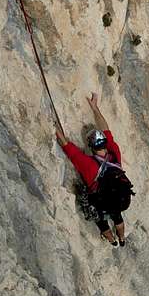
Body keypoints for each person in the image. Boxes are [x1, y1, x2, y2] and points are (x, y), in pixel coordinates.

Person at [55, 93, 126, 247]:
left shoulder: (88, 164)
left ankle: (112, 240)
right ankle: (122, 239)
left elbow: (67, 146)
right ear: (105, 143)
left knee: (100, 220)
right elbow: (105, 127)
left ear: (91, 147)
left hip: (102, 202)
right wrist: (95, 108)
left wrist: (54, 127)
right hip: (119, 198)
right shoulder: (114, 152)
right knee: (117, 216)